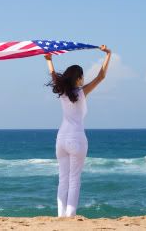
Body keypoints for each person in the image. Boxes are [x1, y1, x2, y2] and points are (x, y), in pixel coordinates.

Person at [44, 45, 112, 217]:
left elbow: (54, 77)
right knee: (74, 180)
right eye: (82, 77)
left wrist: (49, 61)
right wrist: (108, 54)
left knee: (63, 180)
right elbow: (101, 76)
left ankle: (61, 217)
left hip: (61, 139)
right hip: (77, 138)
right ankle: (71, 217)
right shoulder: (82, 92)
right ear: (79, 78)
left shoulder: (62, 91)